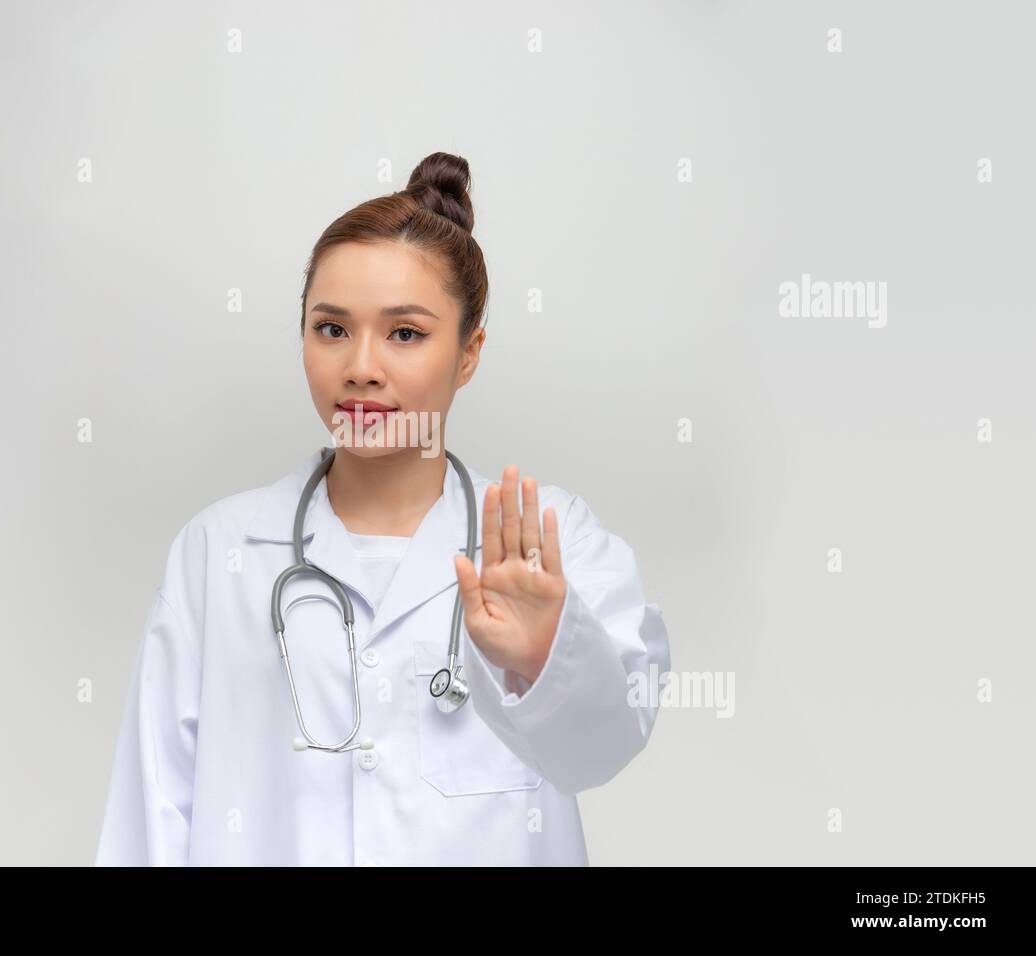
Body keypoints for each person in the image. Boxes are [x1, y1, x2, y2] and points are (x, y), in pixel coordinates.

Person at [94, 151, 671, 866]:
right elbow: (151, 816)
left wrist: (547, 656)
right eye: (331, 328)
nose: (361, 365)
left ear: (469, 351)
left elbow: (599, 751)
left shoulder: (549, 541)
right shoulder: (221, 551)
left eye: (405, 333)